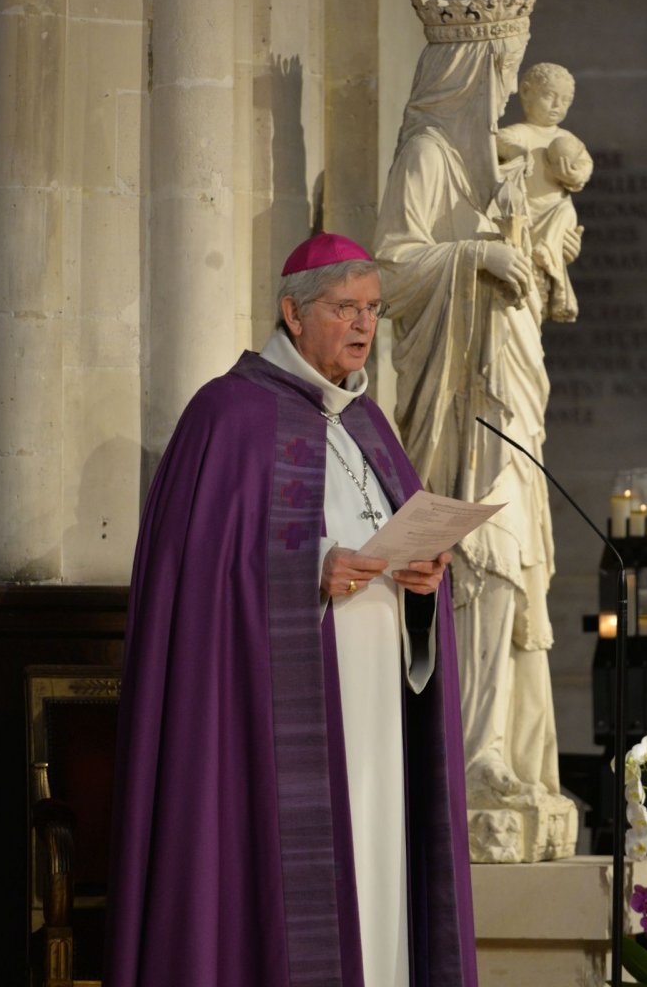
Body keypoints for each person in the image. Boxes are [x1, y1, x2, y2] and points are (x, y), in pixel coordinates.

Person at [103, 232, 477, 987]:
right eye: (344, 308)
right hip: (271, 732)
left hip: (379, 730)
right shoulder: (226, 416)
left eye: (371, 309)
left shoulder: (370, 427)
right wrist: (313, 569)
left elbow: (397, 551)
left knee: (376, 892)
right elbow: (197, 578)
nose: (364, 325)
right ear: (292, 313)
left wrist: (420, 586)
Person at [374, 0, 576, 834]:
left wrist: (532, 247)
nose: (509, 85)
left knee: (510, 556)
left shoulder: (500, 166)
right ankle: (465, 750)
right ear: (465, 67)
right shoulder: (427, 154)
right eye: (500, 63)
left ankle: (499, 747)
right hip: (453, 401)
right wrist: (479, 254)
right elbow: (388, 269)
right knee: (476, 554)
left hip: (509, 383)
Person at [495, 62, 591, 322]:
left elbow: (584, 165)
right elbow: (499, 141)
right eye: (549, 96)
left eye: (565, 100)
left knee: (565, 209)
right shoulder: (521, 133)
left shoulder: (566, 139)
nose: (557, 105)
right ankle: (545, 258)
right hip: (526, 218)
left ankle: (548, 252)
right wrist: (517, 153)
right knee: (525, 306)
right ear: (526, 92)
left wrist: (573, 175)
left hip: (553, 214)